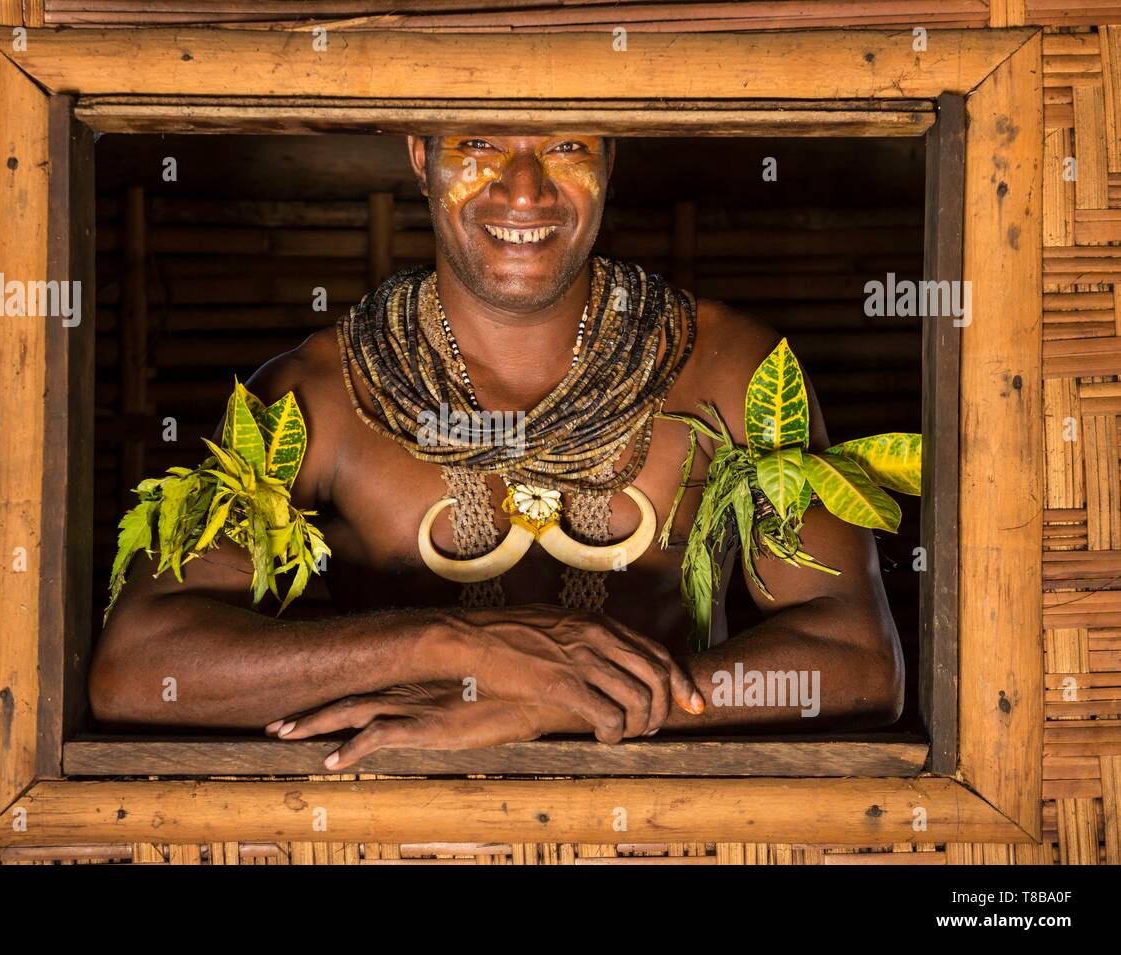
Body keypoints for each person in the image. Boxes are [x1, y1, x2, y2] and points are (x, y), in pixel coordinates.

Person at [89, 134, 905, 769]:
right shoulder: (320, 397)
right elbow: (136, 668)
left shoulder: (732, 372)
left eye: (566, 147)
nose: (524, 188)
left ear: (612, 156)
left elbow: (861, 663)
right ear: (419, 154)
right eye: (477, 145)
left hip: (664, 834)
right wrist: (459, 648)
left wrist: (557, 699)